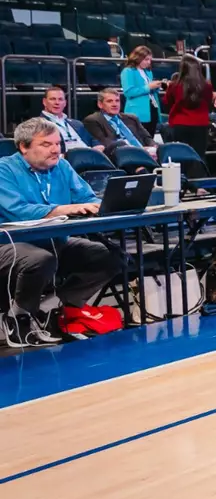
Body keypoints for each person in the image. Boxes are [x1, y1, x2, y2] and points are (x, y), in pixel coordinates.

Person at [0, 118, 125, 345]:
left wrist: (98, 206)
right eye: (46, 144)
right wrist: (63, 209)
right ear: (23, 147)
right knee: (40, 259)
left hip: (54, 241)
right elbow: (18, 211)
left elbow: (86, 198)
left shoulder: (63, 166)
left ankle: (52, 307)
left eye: (57, 143)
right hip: (9, 244)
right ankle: (18, 318)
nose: (55, 149)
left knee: (110, 255)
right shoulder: (4, 169)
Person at [161, 54, 216, 159]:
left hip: (179, 125)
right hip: (200, 125)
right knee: (198, 157)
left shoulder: (174, 85)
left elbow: (167, 102)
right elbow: (209, 103)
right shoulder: (207, 86)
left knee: (180, 157)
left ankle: (182, 176)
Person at [83, 87, 156, 154]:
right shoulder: (93, 120)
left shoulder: (131, 118)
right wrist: (139, 149)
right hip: (121, 155)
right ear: (100, 104)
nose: (115, 104)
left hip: (146, 152)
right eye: (109, 101)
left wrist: (154, 147)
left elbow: (147, 138)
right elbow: (106, 143)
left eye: (117, 101)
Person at [120, 46, 164, 135]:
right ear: (138, 58)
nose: (149, 62)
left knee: (150, 138)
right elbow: (128, 92)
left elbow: (150, 90)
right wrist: (148, 87)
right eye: (146, 59)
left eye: (150, 60)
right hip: (137, 112)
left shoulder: (148, 72)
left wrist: (156, 87)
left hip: (152, 108)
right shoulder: (128, 71)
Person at [38, 85, 95, 153]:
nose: (57, 103)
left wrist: (98, 146)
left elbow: (93, 140)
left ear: (65, 103)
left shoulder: (76, 123)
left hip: (88, 157)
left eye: (60, 99)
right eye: (53, 99)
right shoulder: (39, 124)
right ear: (44, 102)